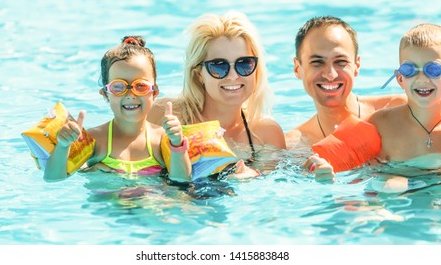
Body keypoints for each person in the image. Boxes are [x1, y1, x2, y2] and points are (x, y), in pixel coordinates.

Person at [311, 23, 441, 189]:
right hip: (391, 184)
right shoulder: (382, 123)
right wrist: (318, 168)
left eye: (433, 69)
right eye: (410, 70)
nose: (421, 78)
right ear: (400, 78)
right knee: (393, 186)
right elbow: (326, 158)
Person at [147, 11, 286, 172]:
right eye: (219, 65)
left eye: (244, 64)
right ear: (199, 74)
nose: (233, 76)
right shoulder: (163, 115)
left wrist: (252, 177)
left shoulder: (266, 133)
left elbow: (269, 190)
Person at [44, 36, 193, 183]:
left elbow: (182, 179)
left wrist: (177, 143)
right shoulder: (95, 140)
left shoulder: (161, 139)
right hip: (109, 206)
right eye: (118, 87)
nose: (130, 94)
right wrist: (63, 146)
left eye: (140, 86)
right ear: (105, 95)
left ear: (154, 92)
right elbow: (53, 177)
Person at [286, 16, 406, 149]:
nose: (330, 75)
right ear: (298, 68)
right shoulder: (294, 146)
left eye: (340, 62)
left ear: (357, 66)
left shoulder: (400, 111)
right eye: (317, 62)